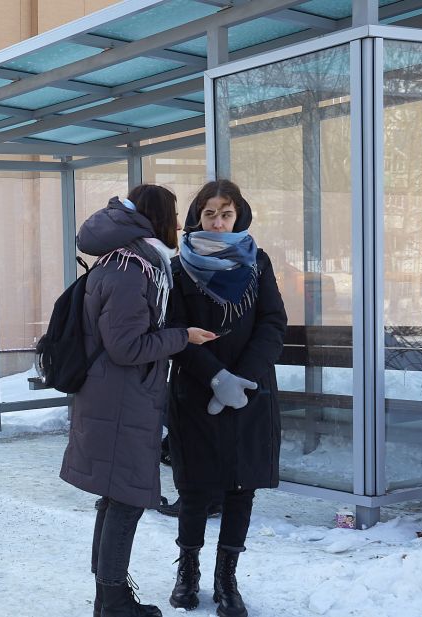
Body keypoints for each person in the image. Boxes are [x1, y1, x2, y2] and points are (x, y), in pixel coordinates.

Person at [59, 185, 218, 617]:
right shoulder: (132, 268)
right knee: (126, 499)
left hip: (118, 398)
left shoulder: (128, 260)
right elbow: (126, 347)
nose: (178, 225)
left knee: (115, 497)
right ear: (157, 217)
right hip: (119, 401)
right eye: (174, 215)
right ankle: (112, 599)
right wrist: (182, 336)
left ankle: (109, 596)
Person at [165, 180, 287, 617]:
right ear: (198, 215)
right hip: (196, 391)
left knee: (241, 488)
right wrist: (216, 378)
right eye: (210, 213)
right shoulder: (178, 268)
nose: (218, 221)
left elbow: (273, 322)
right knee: (194, 488)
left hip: (251, 392)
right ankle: (189, 572)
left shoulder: (258, 262)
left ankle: (226, 578)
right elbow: (174, 329)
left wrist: (242, 379)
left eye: (226, 213)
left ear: (239, 216)